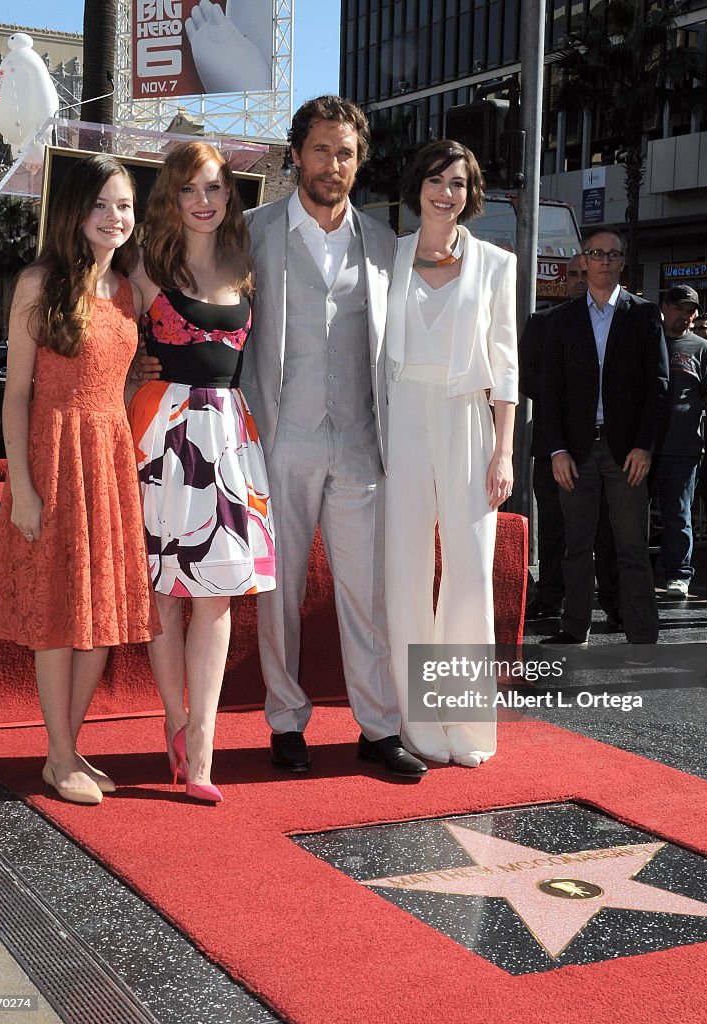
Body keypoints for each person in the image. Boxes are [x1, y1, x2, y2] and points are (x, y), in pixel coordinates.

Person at [241, 96, 427, 778]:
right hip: (277, 438)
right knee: (278, 593)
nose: (332, 164)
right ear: (296, 154)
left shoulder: (382, 243)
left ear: (360, 160)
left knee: (366, 595)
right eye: (320, 149)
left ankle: (377, 728)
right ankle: (285, 721)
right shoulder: (253, 231)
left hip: (358, 443)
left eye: (345, 152)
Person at [0, 154, 160, 805]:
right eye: (102, 205)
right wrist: (22, 488)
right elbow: (17, 395)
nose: (115, 217)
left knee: (102, 620)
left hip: (110, 463)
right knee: (58, 616)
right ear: (75, 212)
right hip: (54, 459)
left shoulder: (129, 290)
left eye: (124, 206)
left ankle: (69, 747)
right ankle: (58, 757)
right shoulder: (38, 281)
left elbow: (126, 376)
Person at [128, 141, 276, 804]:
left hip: (226, 437)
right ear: (171, 195)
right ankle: (176, 722)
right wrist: (131, 367)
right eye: (190, 189)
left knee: (214, 596)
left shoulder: (246, 266)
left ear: (229, 195)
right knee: (163, 589)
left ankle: (205, 750)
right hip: (162, 433)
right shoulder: (140, 265)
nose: (204, 201)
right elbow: (99, 338)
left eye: (215, 188)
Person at [383, 139, 517, 767]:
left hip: (469, 418)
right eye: (436, 179)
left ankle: (464, 721)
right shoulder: (389, 256)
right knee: (408, 569)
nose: (446, 192)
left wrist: (505, 450)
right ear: (418, 186)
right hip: (404, 415)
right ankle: (420, 720)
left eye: (459, 183)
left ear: (472, 193)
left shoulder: (495, 263)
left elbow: (507, 365)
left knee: (468, 570)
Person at [540, 228, 668, 647]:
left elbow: (659, 387)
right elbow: (550, 391)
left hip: (626, 451)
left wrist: (645, 446)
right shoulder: (562, 319)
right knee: (576, 546)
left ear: (622, 263)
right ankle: (575, 628)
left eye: (613, 255)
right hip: (575, 452)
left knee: (631, 547)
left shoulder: (644, 314)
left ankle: (643, 635)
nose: (605, 261)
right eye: (597, 254)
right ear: (585, 260)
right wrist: (556, 449)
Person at [519, 254, 620, 627]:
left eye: (585, 272)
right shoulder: (544, 322)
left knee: (607, 528)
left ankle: (611, 600)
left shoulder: (618, 319)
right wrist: (564, 393)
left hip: (605, 443)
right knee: (555, 526)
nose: (580, 279)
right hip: (553, 444)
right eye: (573, 274)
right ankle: (551, 597)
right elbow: (525, 376)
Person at [652, 285, 707, 597]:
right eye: (679, 307)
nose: (685, 315)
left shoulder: (701, 347)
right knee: (631, 514)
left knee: (679, 513)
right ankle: (634, 573)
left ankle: (679, 573)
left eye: (691, 310)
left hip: (683, 444)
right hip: (643, 443)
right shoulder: (648, 339)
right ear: (664, 306)